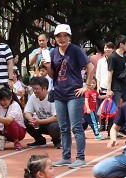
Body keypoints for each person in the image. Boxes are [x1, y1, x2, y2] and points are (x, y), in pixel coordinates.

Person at [44, 24, 95, 168]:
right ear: (55, 38)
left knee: (76, 126)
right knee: (63, 127)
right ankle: (66, 156)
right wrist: (47, 67)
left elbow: (90, 67)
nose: (62, 38)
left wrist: (86, 86)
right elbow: (53, 75)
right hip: (59, 93)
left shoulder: (76, 50)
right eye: (59, 36)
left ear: (69, 37)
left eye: (65, 35)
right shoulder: (53, 52)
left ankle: (80, 157)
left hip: (74, 93)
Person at [24, 76, 61, 148]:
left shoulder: (52, 96)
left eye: (36, 89)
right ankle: (39, 140)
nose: (34, 91)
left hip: (52, 124)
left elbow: (56, 118)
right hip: (39, 124)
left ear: (44, 88)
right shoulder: (33, 97)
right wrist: (30, 119)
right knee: (26, 121)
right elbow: (27, 112)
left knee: (54, 126)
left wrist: (39, 121)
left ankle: (56, 141)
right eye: (33, 89)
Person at [105, 36, 126, 133]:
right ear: (121, 45)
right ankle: (111, 130)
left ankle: (124, 127)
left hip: (124, 86)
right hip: (115, 87)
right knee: (113, 108)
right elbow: (110, 73)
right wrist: (108, 89)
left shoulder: (124, 57)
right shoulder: (113, 57)